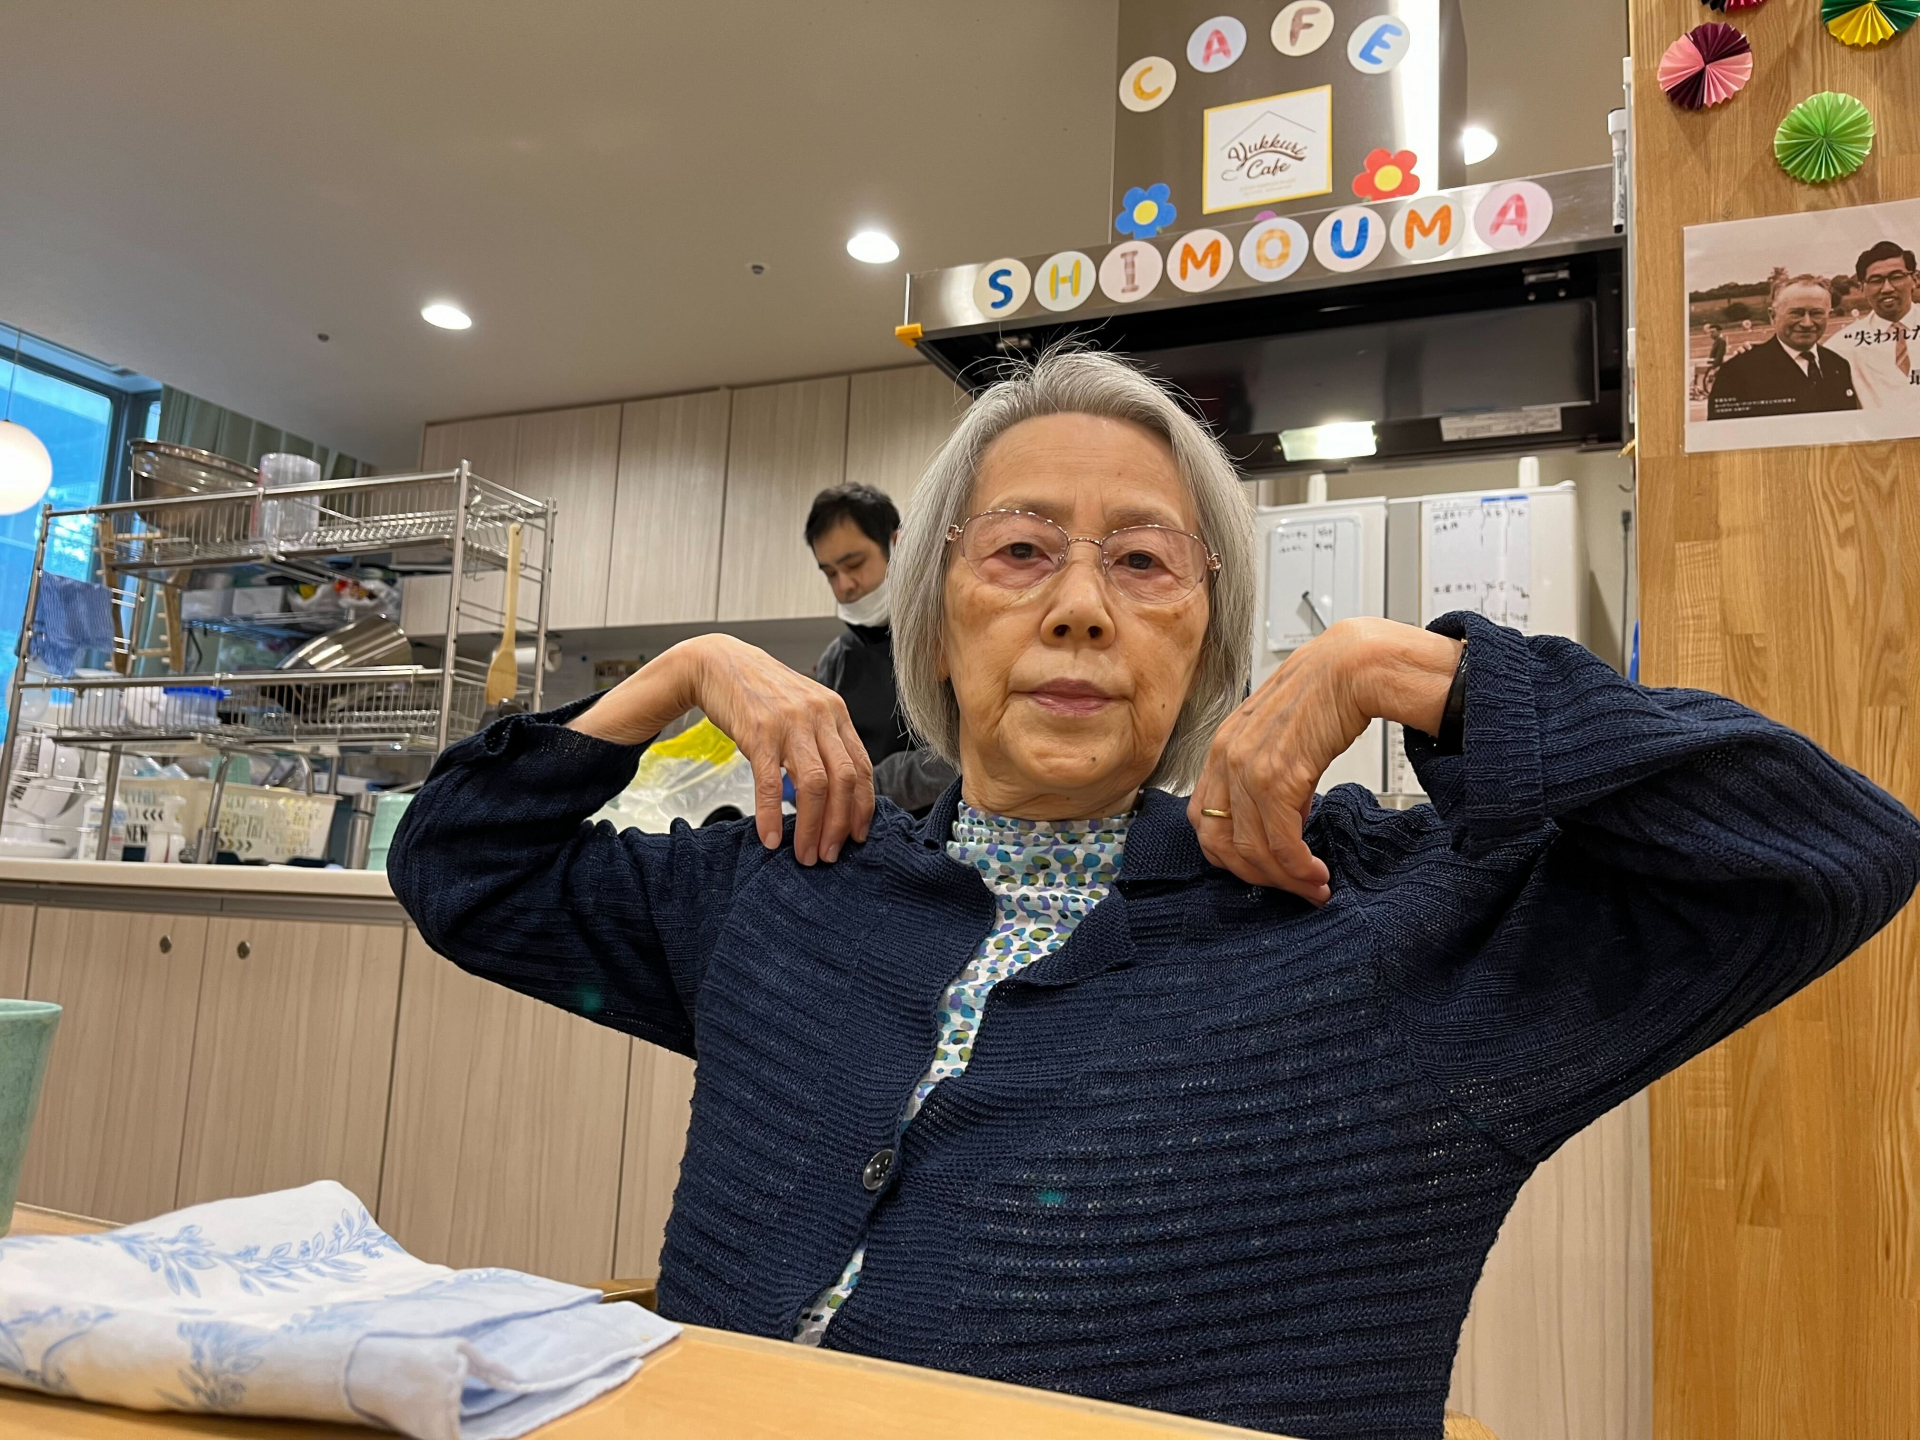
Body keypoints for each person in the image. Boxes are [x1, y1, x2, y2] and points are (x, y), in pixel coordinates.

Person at [389, 349, 1919, 1440]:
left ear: (1209, 641)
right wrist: (678, 676)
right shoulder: (791, 881)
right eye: (1020, 552)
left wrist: (1420, 674)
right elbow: (461, 867)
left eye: (1143, 563)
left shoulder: (1374, 919)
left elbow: (1831, 852)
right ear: (937, 621)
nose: (1078, 606)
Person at [806, 483, 955, 811]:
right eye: (830, 574)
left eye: (854, 565)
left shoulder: (949, 636)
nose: (844, 586)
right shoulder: (836, 661)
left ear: (897, 546)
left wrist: (869, 785)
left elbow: (967, 757)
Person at [1707, 273, 1860, 419]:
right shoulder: (1737, 372)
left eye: (1816, 313)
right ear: (1773, 316)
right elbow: (1722, 433)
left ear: (1828, 315)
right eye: (1796, 313)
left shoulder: (1838, 365)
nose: (1807, 323)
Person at [1832, 240, 1918, 408]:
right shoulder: (1840, 348)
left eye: (1896, 277)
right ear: (1862, 288)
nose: (1887, 288)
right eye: (1876, 280)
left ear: (1914, 280)